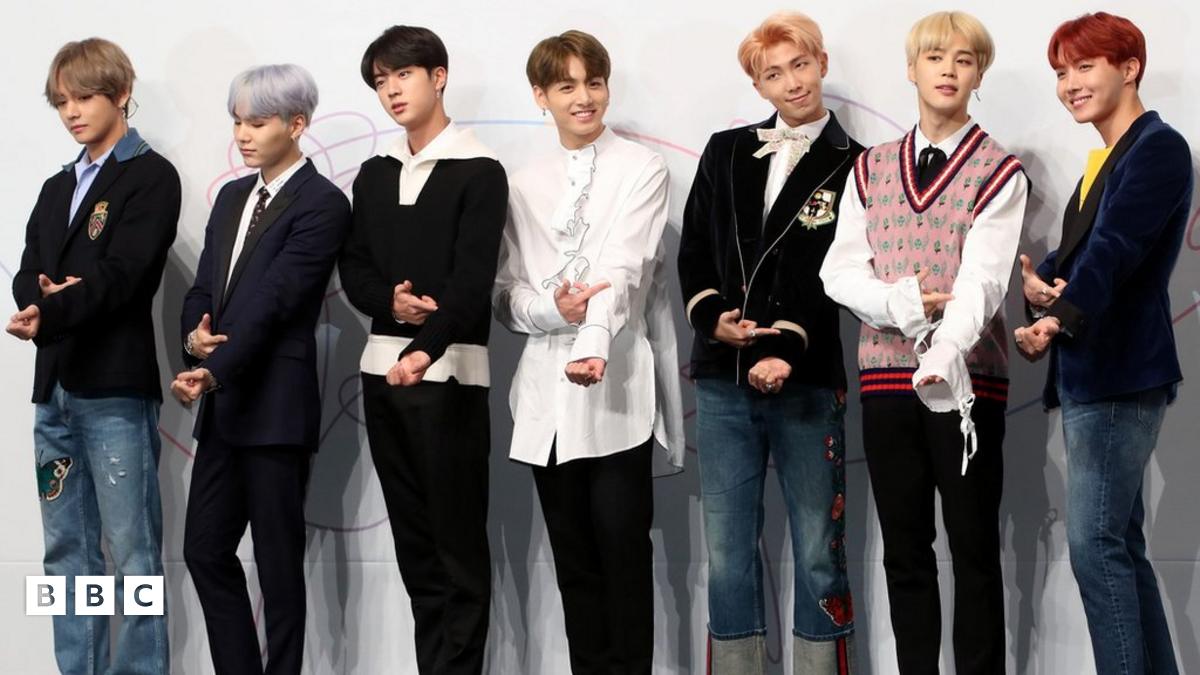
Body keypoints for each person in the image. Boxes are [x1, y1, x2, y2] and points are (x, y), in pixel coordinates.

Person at [820, 11, 1028, 674]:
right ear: (911, 69)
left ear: (979, 74)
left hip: (967, 387)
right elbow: (838, 273)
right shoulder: (870, 167)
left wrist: (941, 355)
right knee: (904, 551)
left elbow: (984, 282)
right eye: (935, 58)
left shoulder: (1000, 170)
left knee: (973, 549)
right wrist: (905, 305)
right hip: (884, 381)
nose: (948, 71)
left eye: (964, 60)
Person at [493, 29, 684, 675]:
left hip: (617, 391)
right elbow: (506, 295)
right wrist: (555, 312)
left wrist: (594, 339)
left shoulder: (642, 168)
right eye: (566, 85)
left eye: (594, 83)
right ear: (540, 95)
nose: (584, 97)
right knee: (574, 567)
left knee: (624, 559)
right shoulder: (520, 182)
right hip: (543, 400)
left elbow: (626, 268)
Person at [677, 12, 861, 674]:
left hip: (807, 377)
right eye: (774, 73)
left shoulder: (858, 163)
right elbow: (694, 248)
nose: (792, 82)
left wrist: (787, 344)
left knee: (818, 547)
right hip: (722, 378)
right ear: (758, 85)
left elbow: (839, 271)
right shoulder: (725, 149)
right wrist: (711, 317)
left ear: (822, 63)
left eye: (800, 65)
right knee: (727, 549)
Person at [1015, 12, 1190, 675]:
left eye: (1085, 67)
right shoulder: (1109, 158)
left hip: (1121, 371)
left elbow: (1115, 249)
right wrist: (1043, 286)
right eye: (1062, 72)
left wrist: (1056, 318)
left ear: (1130, 68)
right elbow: (1085, 251)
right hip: (1098, 373)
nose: (1070, 84)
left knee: (1096, 548)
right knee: (1119, 548)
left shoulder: (1158, 148)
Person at [339, 25, 508, 675]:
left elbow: (472, 284)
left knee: (457, 550)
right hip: (382, 375)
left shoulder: (480, 170)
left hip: (451, 378)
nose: (391, 91)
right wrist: (390, 305)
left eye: (403, 75)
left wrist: (424, 349)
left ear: (438, 77)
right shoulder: (375, 174)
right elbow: (354, 267)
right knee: (416, 552)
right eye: (380, 82)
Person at [8, 37, 179, 675]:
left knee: (133, 555)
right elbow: (27, 269)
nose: (72, 112)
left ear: (121, 94)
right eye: (61, 102)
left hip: (114, 391)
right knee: (65, 553)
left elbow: (125, 275)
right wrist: (39, 299)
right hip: (52, 389)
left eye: (84, 97)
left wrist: (55, 305)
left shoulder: (151, 176)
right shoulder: (58, 185)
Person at [173, 63, 351, 675]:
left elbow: (278, 299)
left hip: (275, 406)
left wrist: (213, 367)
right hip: (225, 407)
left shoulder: (324, 203)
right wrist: (194, 339)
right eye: (237, 122)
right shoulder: (231, 197)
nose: (243, 135)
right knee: (204, 549)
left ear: (296, 125)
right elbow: (205, 286)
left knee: (278, 566)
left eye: (257, 122)